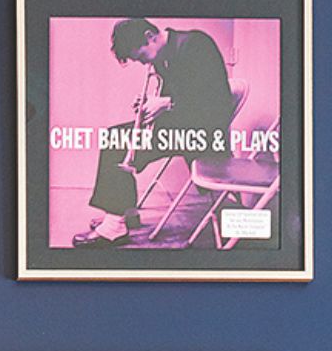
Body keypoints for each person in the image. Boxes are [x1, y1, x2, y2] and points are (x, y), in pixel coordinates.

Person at [72, 15, 235, 250]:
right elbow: (177, 98)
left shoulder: (195, 45)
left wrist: (167, 103)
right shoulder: (163, 56)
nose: (143, 64)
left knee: (117, 143)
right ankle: (122, 212)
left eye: (141, 57)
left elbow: (217, 100)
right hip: (180, 127)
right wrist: (151, 103)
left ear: (150, 37)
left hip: (202, 133)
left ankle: (115, 225)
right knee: (113, 136)